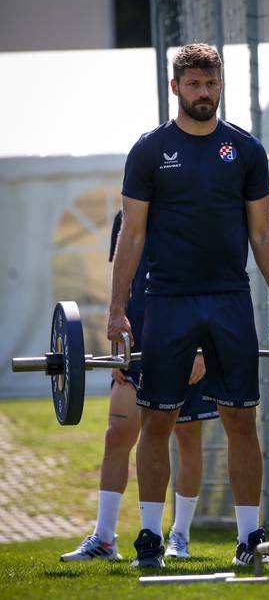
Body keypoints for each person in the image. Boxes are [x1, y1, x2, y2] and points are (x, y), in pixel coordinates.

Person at [107, 43, 269, 569]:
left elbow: (261, 230)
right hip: (166, 300)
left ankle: (249, 538)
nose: (204, 93)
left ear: (220, 85)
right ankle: (148, 537)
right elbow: (132, 236)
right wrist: (117, 310)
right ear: (176, 88)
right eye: (194, 84)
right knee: (157, 420)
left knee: (240, 420)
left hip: (230, 298)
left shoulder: (246, 151)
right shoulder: (149, 151)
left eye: (211, 83)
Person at [60, 211, 219, 563]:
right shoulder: (125, 216)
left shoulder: (193, 207)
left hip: (188, 340)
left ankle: (179, 536)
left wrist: (201, 346)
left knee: (188, 438)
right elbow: (120, 279)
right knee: (117, 433)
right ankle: (104, 538)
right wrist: (116, 328)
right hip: (137, 343)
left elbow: (210, 279)